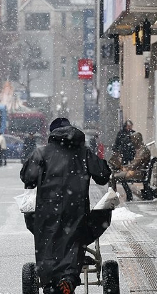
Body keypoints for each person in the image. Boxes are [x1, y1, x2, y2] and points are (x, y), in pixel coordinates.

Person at [20, 118, 111, 294]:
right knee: (75, 240)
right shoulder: (83, 153)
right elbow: (102, 175)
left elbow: (28, 180)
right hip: (75, 209)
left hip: (46, 211)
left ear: (51, 135)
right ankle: (68, 278)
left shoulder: (41, 153)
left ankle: (49, 283)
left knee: (47, 242)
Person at [109, 132, 152, 201]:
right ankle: (118, 196)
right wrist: (123, 167)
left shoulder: (143, 150)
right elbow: (135, 164)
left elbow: (135, 164)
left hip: (138, 173)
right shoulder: (140, 150)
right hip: (136, 171)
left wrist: (124, 167)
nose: (132, 142)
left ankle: (112, 197)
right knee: (114, 174)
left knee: (113, 177)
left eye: (133, 140)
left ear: (137, 140)